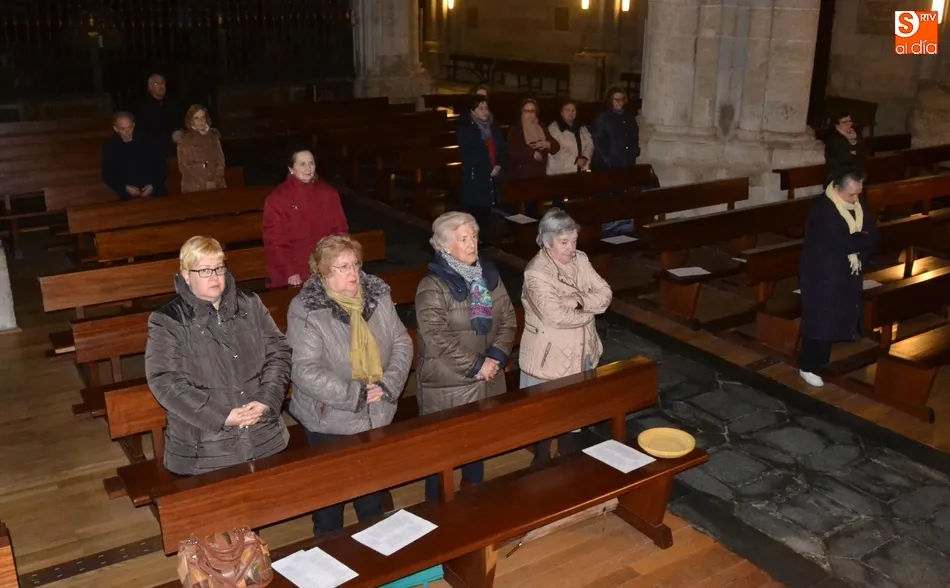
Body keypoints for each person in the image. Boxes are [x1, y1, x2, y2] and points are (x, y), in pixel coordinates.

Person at [286, 234, 413, 536]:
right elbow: (304, 369)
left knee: (371, 497)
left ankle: (375, 562)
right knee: (331, 503)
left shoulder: (377, 297)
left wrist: (388, 382)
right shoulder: (305, 309)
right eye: (342, 268)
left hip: (377, 411)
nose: (353, 274)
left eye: (355, 265)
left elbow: (401, 341)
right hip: (330, 419)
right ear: (322, 273)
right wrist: (354, 394)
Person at [144, 236, 292, 476]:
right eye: (204, 270)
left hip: (263, 434)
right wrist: (223, 416)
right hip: (203, 450)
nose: (214, 276)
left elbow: (279, 352)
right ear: (185, 275)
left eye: (219, 268)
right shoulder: (167, 320)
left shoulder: (250, 304)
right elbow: (165, 382)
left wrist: (267, 399)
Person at [415, 211, 518, 499]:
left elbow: (508, 318)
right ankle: (436, 509)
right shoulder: (432, 286)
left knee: (478, 444)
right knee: (444, 453)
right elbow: (437, 337)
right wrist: (477, 365)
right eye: (463, 239)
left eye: (474, 236)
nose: (472, 243)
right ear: (445, 247)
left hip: (488, 376)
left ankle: (473, 496)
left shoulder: (489, 275)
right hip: (450, 383)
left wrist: (496, 356)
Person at [520, 208, 612, 466]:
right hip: (548, 358)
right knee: (545, 418)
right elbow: (554, 317)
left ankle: (568, 468)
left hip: (581, 352)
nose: (571, 248)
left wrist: (578, 300)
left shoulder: (580, 260)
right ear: (546, 242)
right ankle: (540, 465)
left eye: (574, 241)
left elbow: (605, 294)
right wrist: (589, 312)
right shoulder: (536, 273)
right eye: (564, 243)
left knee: (574, 416)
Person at [798, 168, 879, 387]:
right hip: (822, 273)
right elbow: (842, 243)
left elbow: (872, 233)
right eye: (852, 194)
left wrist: (861, 242)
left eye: (858, 193)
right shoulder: (823, 209)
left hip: (847, 270)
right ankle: (808, 365)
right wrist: (862, 240)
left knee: (837, 313)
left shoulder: (857, 204)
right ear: (837, 188)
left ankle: (822, 361)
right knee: (820, 318)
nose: (856, 199)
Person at [262, 149, 349, 289]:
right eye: (302, 164)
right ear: (291, 168)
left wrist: (340, 261)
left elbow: (340, 231)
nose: (308, 168)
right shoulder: (277, 199)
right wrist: (290, 271)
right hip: (292, 269)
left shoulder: (328, 193)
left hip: (326, 265)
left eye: (311, 163)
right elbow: (275, 240)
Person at [457, 96, 507, 245]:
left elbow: (502, 149)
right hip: (475, 178)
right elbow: (469, 154)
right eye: (481, 108)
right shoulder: (467, 129)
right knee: (475, 216)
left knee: (486, 216)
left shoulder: (493, 127)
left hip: (492, 178)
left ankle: (484, 242)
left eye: (486, 108)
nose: (485, 112)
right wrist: (487, 169)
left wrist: (498, 165)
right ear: (473, 111)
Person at [101, 111, 167, 201]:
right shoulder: (110, 147)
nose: (127, 132)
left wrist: (153, 185)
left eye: (130, 128)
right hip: (128, 196)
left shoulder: (148, 141)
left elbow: (162, 167)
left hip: (155, 192)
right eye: (122, 129)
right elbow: (108, 175)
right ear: (115, 129)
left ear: (134, 125)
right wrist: (126, 187)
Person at [173, 104, 226, 193]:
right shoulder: (184, 140)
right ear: (191, 121)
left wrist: (216, 180)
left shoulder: (213, 137)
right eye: (196, 118)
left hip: (217, 185)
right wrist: (204, 183)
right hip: (194, 187)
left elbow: (220, 160)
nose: (200, 121)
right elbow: (184, 167)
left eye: (202, 117)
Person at [507, 98, 560, 180]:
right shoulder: (516, 129)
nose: (530, 114)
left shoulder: (541, 127)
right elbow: (513, 150)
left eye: (532, 111)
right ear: (522, 112)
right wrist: (532, 155)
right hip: (521, 175)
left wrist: (548, 144)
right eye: (526, 111)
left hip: (539, 173)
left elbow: (556, 147)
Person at [589, 86, 640, 171]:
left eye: (622, 99)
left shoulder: (629, 116)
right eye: (617, 100)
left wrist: (634, 152)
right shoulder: (603, 117)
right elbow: (597, 142)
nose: (620, 102)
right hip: (608, 165)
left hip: (627, 163)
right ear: (610, 100)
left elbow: (634, 136)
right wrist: (607, 160)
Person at [134, 73, 183, 158]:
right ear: (150, 87)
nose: (161, 86)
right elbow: (143, 131)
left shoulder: (173, 104)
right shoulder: (142, 107)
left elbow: (179, 122)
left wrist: (178, 131)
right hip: (153, 150)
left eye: (163, 83)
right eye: (157, 84)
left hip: (174, 148)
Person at [546, 100, 595, 175]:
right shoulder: (554, 128)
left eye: (573, 110)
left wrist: (585, 157)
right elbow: (557, 150)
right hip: (560, 172)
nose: (571, 113)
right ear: (561, 112)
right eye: (567, 110)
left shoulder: (581, 127)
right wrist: (576, 160)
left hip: (581, 169)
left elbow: (589, 143)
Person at [824, 111, 868, 183]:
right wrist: (855, 152)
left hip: (856, 174)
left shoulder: (856, 135)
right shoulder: (833, 138)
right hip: (839, 177)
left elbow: (865, 152)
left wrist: (853, 152)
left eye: (850, 121)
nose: (849, 124)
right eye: (844, 122)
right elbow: (844, 158)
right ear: (836, 125)